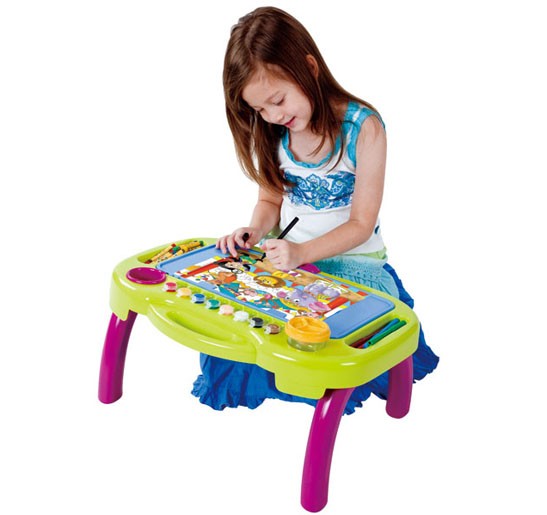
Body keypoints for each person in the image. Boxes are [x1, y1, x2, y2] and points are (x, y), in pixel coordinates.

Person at [191, 6, 439, 414]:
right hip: (288, 262)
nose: (273, 116)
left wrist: (303, 253)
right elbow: (270, 200)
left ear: (308, 67)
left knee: (338, 337)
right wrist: (255, 231)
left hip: (352, 264)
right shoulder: (274, 132)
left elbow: (361, 224)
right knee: (237, 326)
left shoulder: (363, 128)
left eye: (277, 100)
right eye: (261, 110)